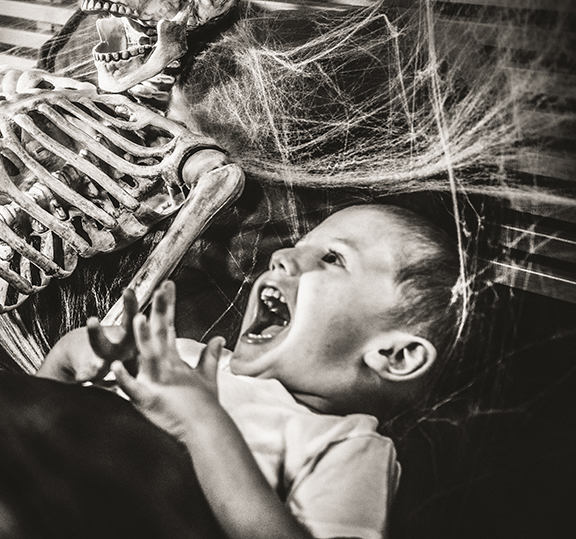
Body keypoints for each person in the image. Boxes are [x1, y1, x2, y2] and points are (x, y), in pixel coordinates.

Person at [38, 203, 462, 539]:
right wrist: (81, 351)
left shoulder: (347, 443)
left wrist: (201, 421)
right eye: (300, 244)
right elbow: (39, 402)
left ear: (396, 356)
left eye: (333, 258)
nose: (282, 256)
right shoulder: (180, 359)